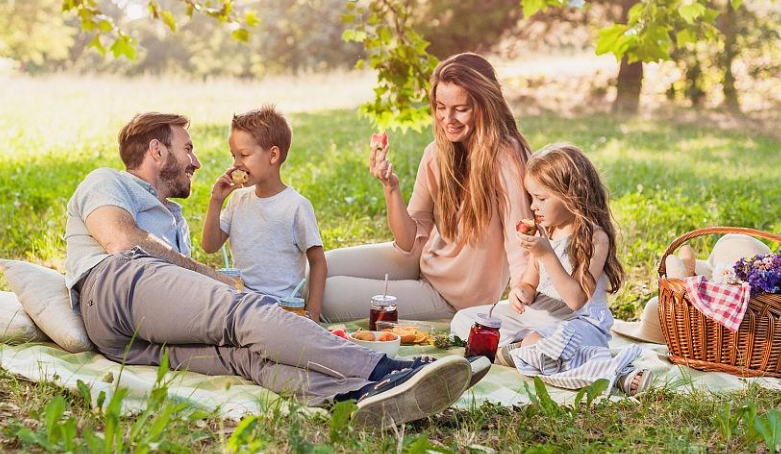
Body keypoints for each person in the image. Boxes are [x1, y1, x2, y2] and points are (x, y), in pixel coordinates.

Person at [63, 111, 481, 427]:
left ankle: (357, 395)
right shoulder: (107, 181)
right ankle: (386, 369)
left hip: (124, 340)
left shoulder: (171, 216)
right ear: (157, 151)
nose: (196, 162)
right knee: (246, 310)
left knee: (245, 357)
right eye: (186, 148)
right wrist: (218, 280)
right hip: (115, 285)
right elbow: (120, 240)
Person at [321, 53, 533, 322]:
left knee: (326, 296)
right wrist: (391, 187)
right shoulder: (436, 153)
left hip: (454, 298)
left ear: (485, 106)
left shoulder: (506, 157)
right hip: (422, 263)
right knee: (319, 268)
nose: (448, 118)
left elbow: (521, 242)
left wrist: (523, 298)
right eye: (441, 106)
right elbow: (409, 243)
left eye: (461, 108)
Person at [451, 143, 652, 395]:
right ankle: (520, 351)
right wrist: (521, 292)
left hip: (580, 324)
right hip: (541, 318)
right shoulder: (547, 231)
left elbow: (576, 299)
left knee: (544, 343)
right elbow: (529, 283)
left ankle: (617, 372)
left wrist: (546, 254)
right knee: (466, 320)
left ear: (571, 196)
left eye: (541, 198)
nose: (533, 206)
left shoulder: (594, 238)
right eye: (531, 198)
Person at [201, 106, 327, 322]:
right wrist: (216, 201)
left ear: (273, 155)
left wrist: (313, 313)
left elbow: (318, 262)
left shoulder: (296, 206)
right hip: (240, 303)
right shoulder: (238, 200)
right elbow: (209, 246)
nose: (236, 163)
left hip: (281, 309)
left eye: (244, 154)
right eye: (234, 156)